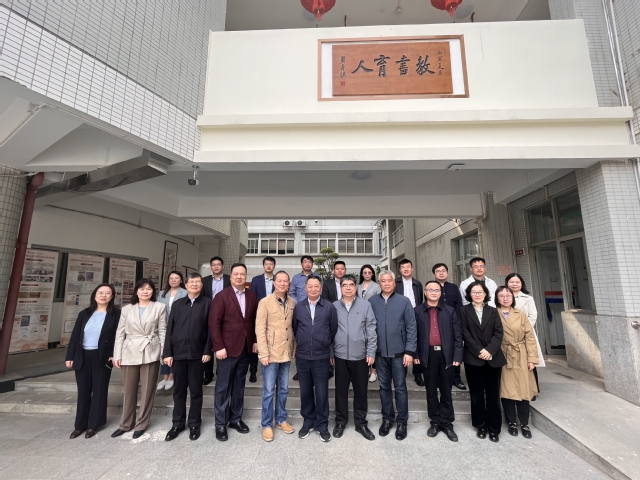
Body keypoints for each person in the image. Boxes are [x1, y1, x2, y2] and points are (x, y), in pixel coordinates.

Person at [209, 263, 258, 441]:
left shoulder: (252, 295)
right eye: (236, 274)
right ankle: (220, 424)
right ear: (230, 277)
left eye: (242, 274)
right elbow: (214, 324)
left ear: (246, 276)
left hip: (245, 349)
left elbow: (253, 321)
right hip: (226, 350)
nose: (239, 277)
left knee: (239, 386)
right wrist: (218, 347)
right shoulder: (222, 296)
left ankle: (235, 419)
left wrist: (254, 341)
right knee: (223, 387)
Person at [111, 279, 166, 439]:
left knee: (148, 390)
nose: (145, 291)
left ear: (153, 291)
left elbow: (162, 330)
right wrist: (117, 355)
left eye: (149, 289)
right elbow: (120, 333)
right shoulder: (127, 309)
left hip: (150, 349)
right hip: (129, 350)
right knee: (129, 390)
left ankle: (141, 424)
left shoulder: (159, 307)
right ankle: (126, 423)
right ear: (136, 291)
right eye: (142, 289)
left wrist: (164, 352)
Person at [65, 283, 121, 439]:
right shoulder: (84, 314)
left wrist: (114, 354)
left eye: (107, 293)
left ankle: (93, 424)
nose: (103, 295)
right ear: (95, 295)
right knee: (83, 391)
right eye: (100, 292)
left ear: (112, 296)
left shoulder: (116, 314)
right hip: (82, 355)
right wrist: (70, 356)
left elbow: (119, 336)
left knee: (99, 390)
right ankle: (80, 425)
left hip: (102, 356)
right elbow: (75, 336)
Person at [163, 273, 212, 442]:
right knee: (179, 390)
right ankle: (177, 423)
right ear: (186, 284)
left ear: (202, 285)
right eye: (192, 282)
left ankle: (194, 424)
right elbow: (170, 330)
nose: (195, 284)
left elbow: (210, 330)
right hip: (178, 354)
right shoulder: (178, 304)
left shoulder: (208, 303)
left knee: (196, 390)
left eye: (198, 282)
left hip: (198, 354)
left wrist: (207, 350)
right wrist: (167, 353)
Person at [369, 270, 417, 441]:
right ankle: (387, 419)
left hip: (399, 354)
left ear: (394, 283)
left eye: (389, 280)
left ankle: (402, 422)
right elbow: (368, 327)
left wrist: (409, 351)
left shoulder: (404, 301)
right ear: (379, 283)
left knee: (401, 388)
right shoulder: (372, 301)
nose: (387, 283)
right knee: (384, 387)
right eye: (383, 281)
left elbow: (411, 327)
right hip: (380, 353)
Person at [413, 281, 463, 442]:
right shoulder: (417, 311)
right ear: (425, 292)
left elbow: (458, 336)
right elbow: (413, 335)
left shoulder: (450, 311)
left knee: (446, 391)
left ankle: (447, 423)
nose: (434, 292)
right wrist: (415, 354)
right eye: (430, 290)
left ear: (441, 293)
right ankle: (435, 422)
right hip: (427, 355)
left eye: (437, 290)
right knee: (431, 391)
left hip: (446, 355)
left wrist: (457, 356)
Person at [459, 281, 507, 443]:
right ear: (469, 294)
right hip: (473, 358)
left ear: (485, 294)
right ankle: (480, 425)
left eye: (480, 292)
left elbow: (499, 333)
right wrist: (479, 350)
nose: (477, 294)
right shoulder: (463, 311)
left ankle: (494, 428)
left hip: (492, 358)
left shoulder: (493, 311)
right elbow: (464, 332)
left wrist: (489, 350)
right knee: (476, 394)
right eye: (474, 292)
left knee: (493, 395)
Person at [292, 276, 338, 442]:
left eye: (316, 286)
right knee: (305, 391)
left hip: (321, 356)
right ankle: (308, 421)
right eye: (310, 286)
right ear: (305, 288)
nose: (313, 289)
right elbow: (295, 328)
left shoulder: (329, 307)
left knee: (321, 391)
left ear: (321, 288)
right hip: (303, 356)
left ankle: (322, 424)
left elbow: (333, 329)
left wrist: (325, 345)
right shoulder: (299, 307)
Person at [332, 275, 377, 441]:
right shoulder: (334, 306)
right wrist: (330, 353)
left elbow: (371, 329)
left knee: (361, 391)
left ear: (356, 287)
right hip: (340, 356)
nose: (348, 288)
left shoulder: (365, 305)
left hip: (361, 356)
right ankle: (340, 422)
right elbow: (329, 330)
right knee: (340, 391)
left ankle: (361, 423)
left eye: (351, 285)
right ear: (341, 288)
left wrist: (371, 352)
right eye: (345, 285)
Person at [255, 270, 297, 442]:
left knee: (284, 389)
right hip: (270, 354)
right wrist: (263, 353)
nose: (282, 283)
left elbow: (294, 327)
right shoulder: (265, 302)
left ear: (288, 284)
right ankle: (266, 424)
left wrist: (294, 348)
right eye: (279, 281)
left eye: (285, 281)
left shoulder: (293, 302)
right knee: (268, 391)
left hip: (286, 352)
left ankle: (281, 419)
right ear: (274, 283)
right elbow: (260, 329)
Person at [495, 286, 539, 439]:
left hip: (520, 354)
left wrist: (532, 358)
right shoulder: (493, 313)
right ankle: (511, 422)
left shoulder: (520, 314)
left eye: (508, 295)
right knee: (507, 390)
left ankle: (524, 423)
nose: (505, 298)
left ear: (512, 298)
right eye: (501, 295)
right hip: (502, 354)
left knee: (523, 389)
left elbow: (530, 337)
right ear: (497, 298)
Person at [505, 273, 545, 395]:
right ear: (507, 283)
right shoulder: (503, 297)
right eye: (512, 282)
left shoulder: (528, 298)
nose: (514, 284)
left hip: (525, 334)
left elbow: (533, 316)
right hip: (507, 336)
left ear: (521, 284)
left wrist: (522, 330)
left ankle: (533, 390)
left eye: (517, 282)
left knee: (529, 362)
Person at [432, 263, 466, 391]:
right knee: (439, 352)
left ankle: (456, 378)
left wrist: (457, 321)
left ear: (447, 273)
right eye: (438, 271)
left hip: (453, 323)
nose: (441, 273)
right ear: (434, 274)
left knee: (455, 350)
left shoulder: (453, 287)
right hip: (437, 324)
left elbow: (459, 305)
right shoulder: (431, 287)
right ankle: (439, 378)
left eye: (443, 271)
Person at [289, 255, 321, 381]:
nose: (307, 264)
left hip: (315, 310)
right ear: (301, 264)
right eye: (305, 262)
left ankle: (314, 369)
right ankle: (300, 370)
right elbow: (292, 293)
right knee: (300, 339)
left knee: (314, 337)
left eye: (310, 262)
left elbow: (321, 292)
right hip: (300, 311)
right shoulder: (296, 278)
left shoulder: (317, 277)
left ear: (312, 264)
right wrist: (300, 305)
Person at [394, 259, 424, 387]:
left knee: (416, 342)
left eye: (408, 267)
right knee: (401, 341)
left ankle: (417, 373)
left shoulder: (418, 284)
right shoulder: (395, 283)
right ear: (399, 269)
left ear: (412, 269)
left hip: (415, 314)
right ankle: (401, 370)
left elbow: (420, 300)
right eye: (403, 267)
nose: (406, 269)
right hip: (399, 315)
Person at [201, 256, 231, 385]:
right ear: (211, 267)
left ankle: (221, 372)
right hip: (209, 314)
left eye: (218, 264)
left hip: (225, 315)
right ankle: (208, 373)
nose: (216, 267)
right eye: (214, 265)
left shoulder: (229, 279)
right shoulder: (205, 280)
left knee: (222, 343)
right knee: (208, 343)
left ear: (222, 266)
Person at [157, 271, 187, 391]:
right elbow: (158, 309)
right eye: (171, 278)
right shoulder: (162, 293)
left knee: (175, 351)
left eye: (176, 278)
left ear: (181, 280)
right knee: (165, 350)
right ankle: (164, 377)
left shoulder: (185, 292)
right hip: (164, 325)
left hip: (178, 326)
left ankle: (172, 376)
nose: (173, 280)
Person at [248, 256, 277, 383]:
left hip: (274, 316)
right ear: (263, 266)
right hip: (258, 314)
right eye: (266, 264)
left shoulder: (277, 279)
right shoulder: (256, 280)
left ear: (274, 266)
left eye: (271, 264)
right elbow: (252, 297)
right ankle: (253, 371)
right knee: (256, 342)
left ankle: (271, 368)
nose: (269, 266)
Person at [357, 264, 381, 382]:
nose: (367, 274)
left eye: (369, 272)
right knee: (364, 344)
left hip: (373, 316)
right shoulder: (358, 286)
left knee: (372, 343)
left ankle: (374, 371)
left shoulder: (377, 286)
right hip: (360, 318)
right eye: (365, 272)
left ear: (372, 274)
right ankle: (366, 369)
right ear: (362, 274)